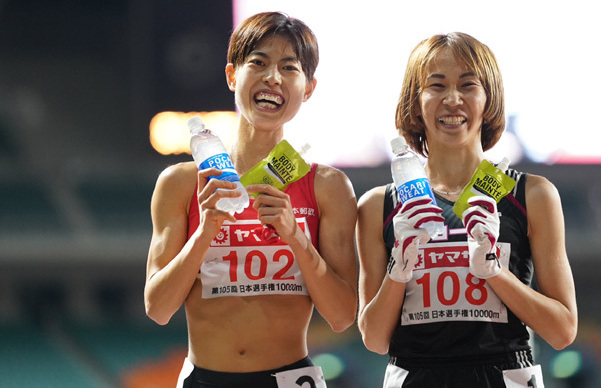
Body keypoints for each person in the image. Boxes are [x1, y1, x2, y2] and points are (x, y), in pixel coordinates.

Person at [144, 11, 358, 388]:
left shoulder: (328, 186)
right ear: (232, 75)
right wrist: (205, 232)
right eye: (258, 62)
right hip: (204, 378)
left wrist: (296, 237)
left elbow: (343, 316)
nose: (272, 77)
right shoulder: (181, 183)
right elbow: (158, 308)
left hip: (292, 377)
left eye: (289, 68)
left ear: (308, 88)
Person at [356, 32, 578, 387]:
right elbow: (375, 339)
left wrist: (494, 272)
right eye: (437, 85)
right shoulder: (378, 205)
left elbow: (563, 330)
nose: (453, 99)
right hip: (415, 376)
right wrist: (399, 269)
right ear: (415, 103)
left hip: (506, 376)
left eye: (468, 85)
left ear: (489, 100)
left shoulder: (533, 194)